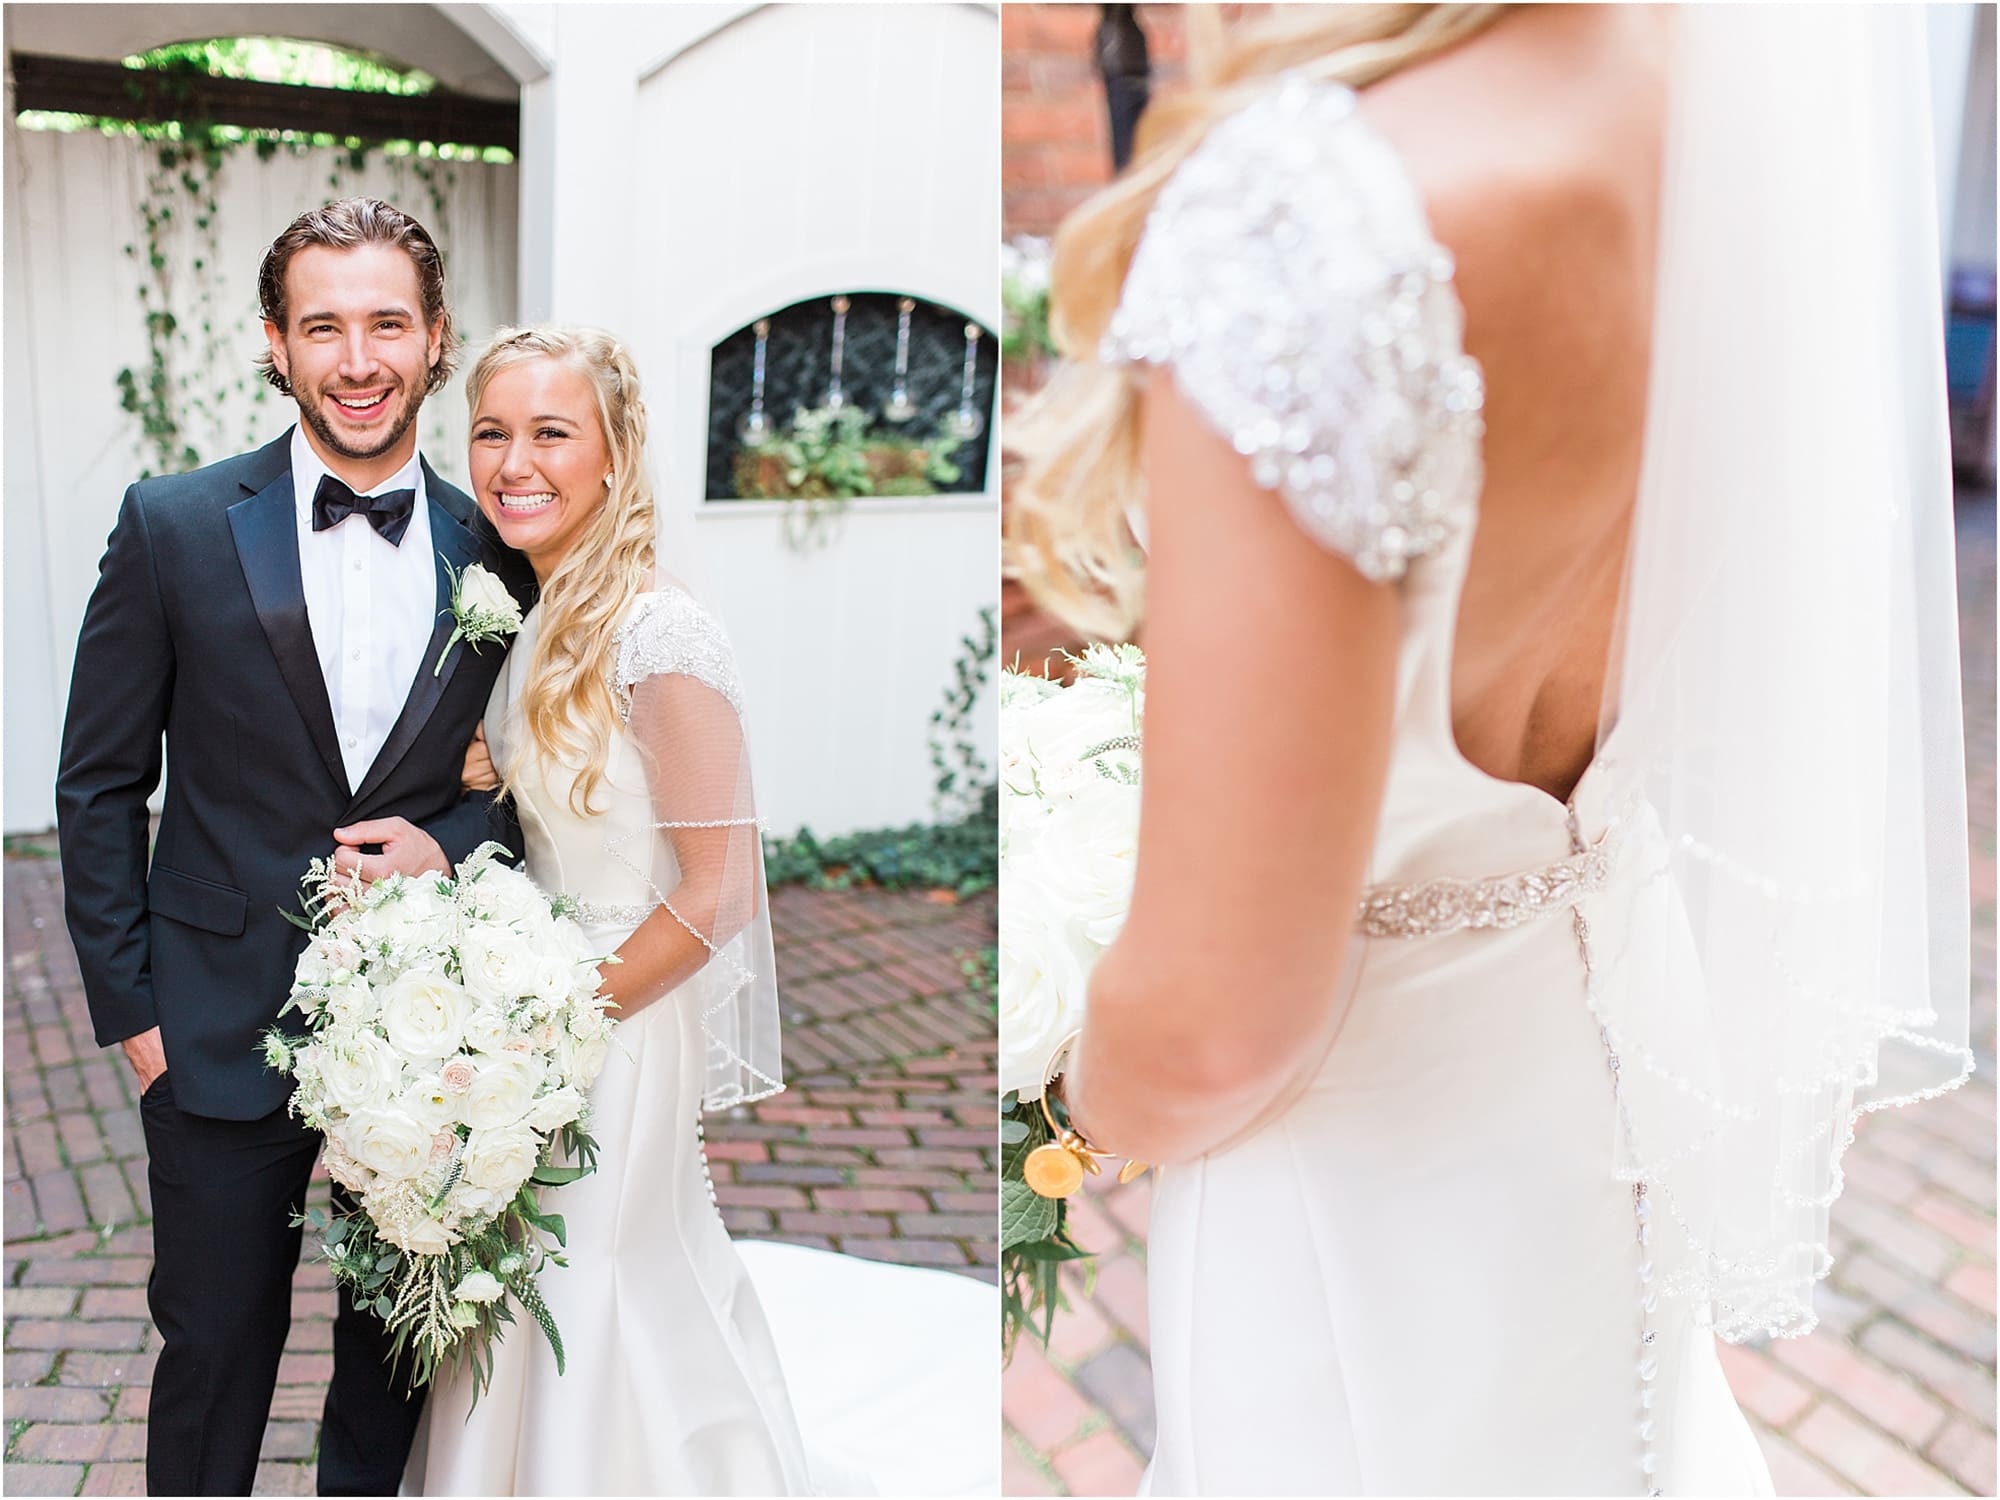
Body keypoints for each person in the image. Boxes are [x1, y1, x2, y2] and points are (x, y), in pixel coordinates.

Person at [1008, 4, 1971, 1494]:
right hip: (1589, 1061)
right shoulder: (1727, 117)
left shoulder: (1313, 210)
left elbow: (1214, 1030)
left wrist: (1057, 1096)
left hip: (1352, 1169)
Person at [407, 324, 994, 1496]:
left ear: (615, 454)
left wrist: (558, 1022)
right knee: (532, 1279)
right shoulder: (533, 614)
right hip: (534, 1003)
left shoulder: (660, 635)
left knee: (594, 1273)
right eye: (490, 433)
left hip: (618, 1015)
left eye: (550, 433)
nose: (514, 464)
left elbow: (719, 889)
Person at [55, 197, 533, 1495]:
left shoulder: (504, 548)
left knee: (396, 1356)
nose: (358, 360)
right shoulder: (172, 525)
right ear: (276, 342)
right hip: (212, 1020)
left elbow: (541, 783)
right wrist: (134, 1015)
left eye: (387, 324)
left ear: (435, 338)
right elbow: (99, 782)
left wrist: (450, 843)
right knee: (214, 1351)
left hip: (427, 1028)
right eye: (324, 327)